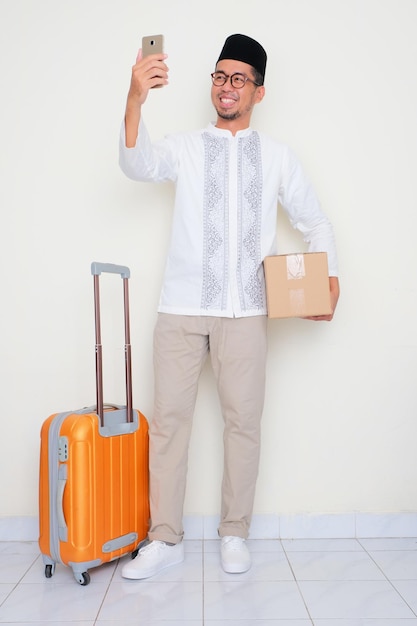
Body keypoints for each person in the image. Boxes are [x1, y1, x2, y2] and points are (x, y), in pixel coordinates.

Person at [119, 33, 339, 580]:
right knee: (170, 424)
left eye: (238, 78)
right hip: (180, 310)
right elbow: (138, 165)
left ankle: (234, 531)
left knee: (244, 424)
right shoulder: (187, 147)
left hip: (246, 313)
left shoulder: (278, 157)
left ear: (258, 92)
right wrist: (134, 99)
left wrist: (327, 279)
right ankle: (164, 537)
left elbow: (316, 222)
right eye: (219, 76)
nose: (226, 87)